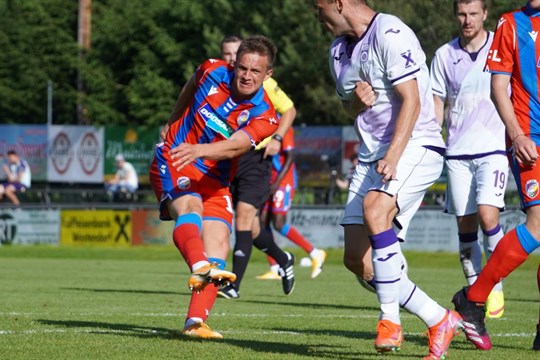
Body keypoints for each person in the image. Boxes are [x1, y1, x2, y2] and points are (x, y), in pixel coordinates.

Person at [314, 1, 462, 359]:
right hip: (370, 156)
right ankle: (439, 318)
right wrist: (357, 104)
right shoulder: (337, 51)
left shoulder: (390, 32)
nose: (316, 15)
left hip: (415, 144)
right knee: (357, 260)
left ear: (338, 2)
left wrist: (393, 155)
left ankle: (390, 322)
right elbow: (349, 106)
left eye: (319, 7)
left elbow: (411, 100)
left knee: (375, 209)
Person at [149, 35, 280, 339]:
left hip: (214, 176)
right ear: (235, 65)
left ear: (267, 75)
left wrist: (201, 151)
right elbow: (189, 88)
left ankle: (195, 323)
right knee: (190, 206)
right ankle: (199, 265)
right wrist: (172, 120)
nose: (247, 76)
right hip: (175, 157)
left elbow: (235, 147)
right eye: (243, 68)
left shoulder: (266, 115)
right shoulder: (210, 71)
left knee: (220, 243)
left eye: (255, 71)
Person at [452, 0, 540, 351]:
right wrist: (517, 135)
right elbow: (498, 88)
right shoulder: (510, 23)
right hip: (530, 138)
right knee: (538, 222)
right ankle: (473, 299)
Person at [430, 0, 508, 319]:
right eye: (462, 14)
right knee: (466, 229)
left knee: (489, 217)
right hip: (457, 153)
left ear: (485, 14)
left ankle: (496, 285)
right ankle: (476, 298)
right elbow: (437, 102)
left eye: (474, 13)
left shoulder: (500, 45)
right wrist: (434, 141)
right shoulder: (444, 55)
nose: (467, 20)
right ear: (455, 15)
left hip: (493, 147)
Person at [217, 35, 301, 299]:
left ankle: (234, 285)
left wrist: (277, 137)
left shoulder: (265, 83)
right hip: (229, 158)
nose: (231, 60)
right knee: (250, 227)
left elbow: (289, 110)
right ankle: (283, 258)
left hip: (256, 158)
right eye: (227, 55)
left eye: (234, 54)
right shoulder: (222, 81)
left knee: (242, 216)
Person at [257, 127, 327, 280]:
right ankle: (275, 268)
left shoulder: (284, 128)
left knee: (279, 223)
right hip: (269, 180)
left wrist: (277, 181)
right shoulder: (264, 122)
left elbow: (290, 156)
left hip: (283, 182)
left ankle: (315, 253)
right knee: (261, 222)